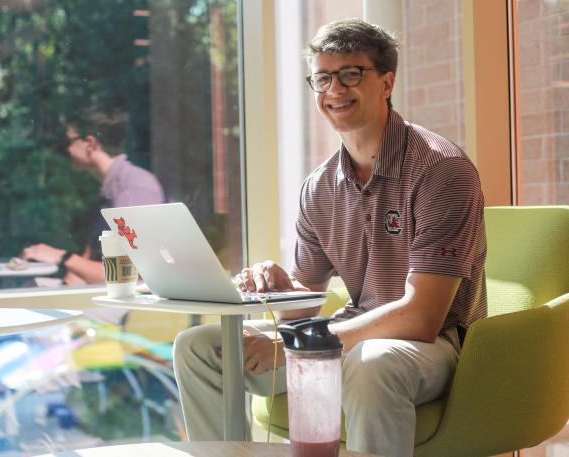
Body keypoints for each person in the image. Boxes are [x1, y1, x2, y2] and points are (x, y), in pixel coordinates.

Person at [172, 18, 487, 457]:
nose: (334, 90)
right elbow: (302, 310)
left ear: (386, 82)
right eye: (322, 78)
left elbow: (422, 318)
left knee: (371, 363)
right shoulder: (318, 187)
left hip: (432, 347)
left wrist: (287, 343)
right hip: (346, 332)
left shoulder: (441, 170)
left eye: (351, 74)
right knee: (201, 346)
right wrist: (281, 289)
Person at [23, 110, 164, 285]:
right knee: (28, 291)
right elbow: (84, 267)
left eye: (69, 142)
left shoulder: (134, 187)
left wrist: (62, 257)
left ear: (90, 144)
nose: (66, 149)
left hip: (130, 300)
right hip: (104, 292)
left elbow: (125, 275)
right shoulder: (110, 188)